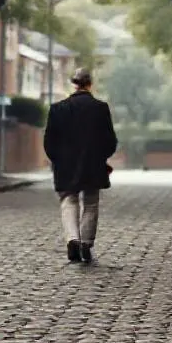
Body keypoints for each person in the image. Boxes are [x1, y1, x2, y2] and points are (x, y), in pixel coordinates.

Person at [43, 67, 118, 264]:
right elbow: (110, 140)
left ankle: (73, 239)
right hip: (93, 162)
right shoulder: (100, 108)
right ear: (90, 84)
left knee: (69, 200)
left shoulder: (57, 108)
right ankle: (86, 243)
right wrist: (101, 157)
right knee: (91, 202)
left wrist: (58, 160)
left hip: (65, 164)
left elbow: (49, 142)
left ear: (73, 84)